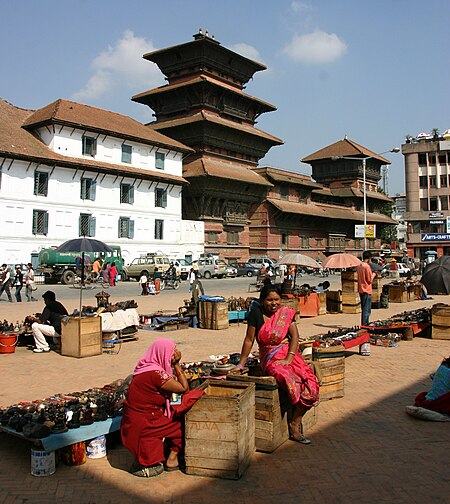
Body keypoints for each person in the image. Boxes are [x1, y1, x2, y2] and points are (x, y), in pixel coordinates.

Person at [233, 285, 319, 444]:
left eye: (276, 299)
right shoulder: (256, 314)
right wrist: (241, 364)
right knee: (288, 378)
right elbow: (249, 340)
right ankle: (294, 421)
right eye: (269, 300)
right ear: (262, 300)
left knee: (311, 385)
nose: (273, 303)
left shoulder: (285, 314)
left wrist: (289, 358)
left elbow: (295, 337)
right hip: (270, 358)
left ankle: (295, 420)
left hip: (289, 355)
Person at [121, 338, 204, 477]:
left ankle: (167, 454)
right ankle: (172, 459)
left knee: (175, 414)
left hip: (141, 417)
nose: (173, 355)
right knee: (181, 423)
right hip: (145, 421)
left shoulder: (145, 367)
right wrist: (177, 365)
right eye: (172, 353)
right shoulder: (155, 374)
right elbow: (184, 388)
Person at [356, 251, 376, 326]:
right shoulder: (366, 266)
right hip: (366, 290)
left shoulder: (359, 265)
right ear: (369, 258)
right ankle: (365, 324)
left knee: (364, 308)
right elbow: (369, 280)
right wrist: (374, 274)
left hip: (361, 289)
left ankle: (364, 323)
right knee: (366, 310)